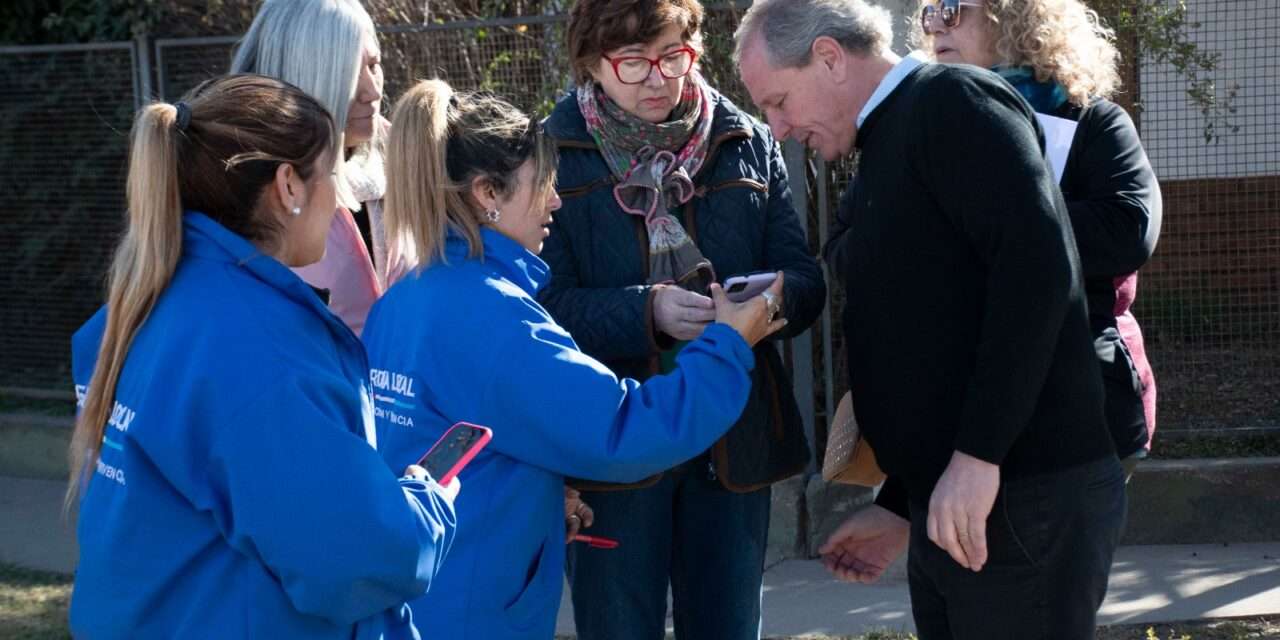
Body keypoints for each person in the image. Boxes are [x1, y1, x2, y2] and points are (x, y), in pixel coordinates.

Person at [735, 1, 1125, 638]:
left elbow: (1038, 272)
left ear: (829, 57)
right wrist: (901, 503)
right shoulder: (890, 131)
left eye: (778, 101)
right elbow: (940, 323)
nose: (775, 128)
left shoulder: (954, 102)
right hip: (964, 499)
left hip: (1024, 497)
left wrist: (978, 456)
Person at [361, 78, 787, 640]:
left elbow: (441, 442)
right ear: (488, 193)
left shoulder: (403, 299)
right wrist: (728, 345)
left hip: (425, 593)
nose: (556, 203)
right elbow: (627, 431)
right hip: (475, 608)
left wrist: (535, 498)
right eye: (542, 185)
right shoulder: (493, 316)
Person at [66, 74, 457, 639]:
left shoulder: (151, 298)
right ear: (288, 186)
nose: (341, 197)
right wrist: (429, 501)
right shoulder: (260, 349)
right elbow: (362, 557)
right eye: (333, 174)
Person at [539, 1, 826, 637]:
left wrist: (770, 303)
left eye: (673, 56)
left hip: (730, 442)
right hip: (611, 451)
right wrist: (650, 310)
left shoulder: (746, 140)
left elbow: (803, 276)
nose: (658, 79)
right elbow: (541, 308)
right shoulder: (552, 149)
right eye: (633, 63)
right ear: (592, 65)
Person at [910, 0, 1162, 474]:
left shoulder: (1093, 122)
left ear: (1015, 17)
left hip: (1082, 403)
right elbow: (853, 240)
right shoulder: (922, 127)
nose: (933, 24)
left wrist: (998, 222)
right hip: (959, 404)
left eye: (950, 9)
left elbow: (1129, 230)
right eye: (928, 11)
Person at [231, 0, 389, 335]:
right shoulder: (242, 194)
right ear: (304, 74)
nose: (372, 91)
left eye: (374, 65)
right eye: (348, 73)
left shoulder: (400, 152)